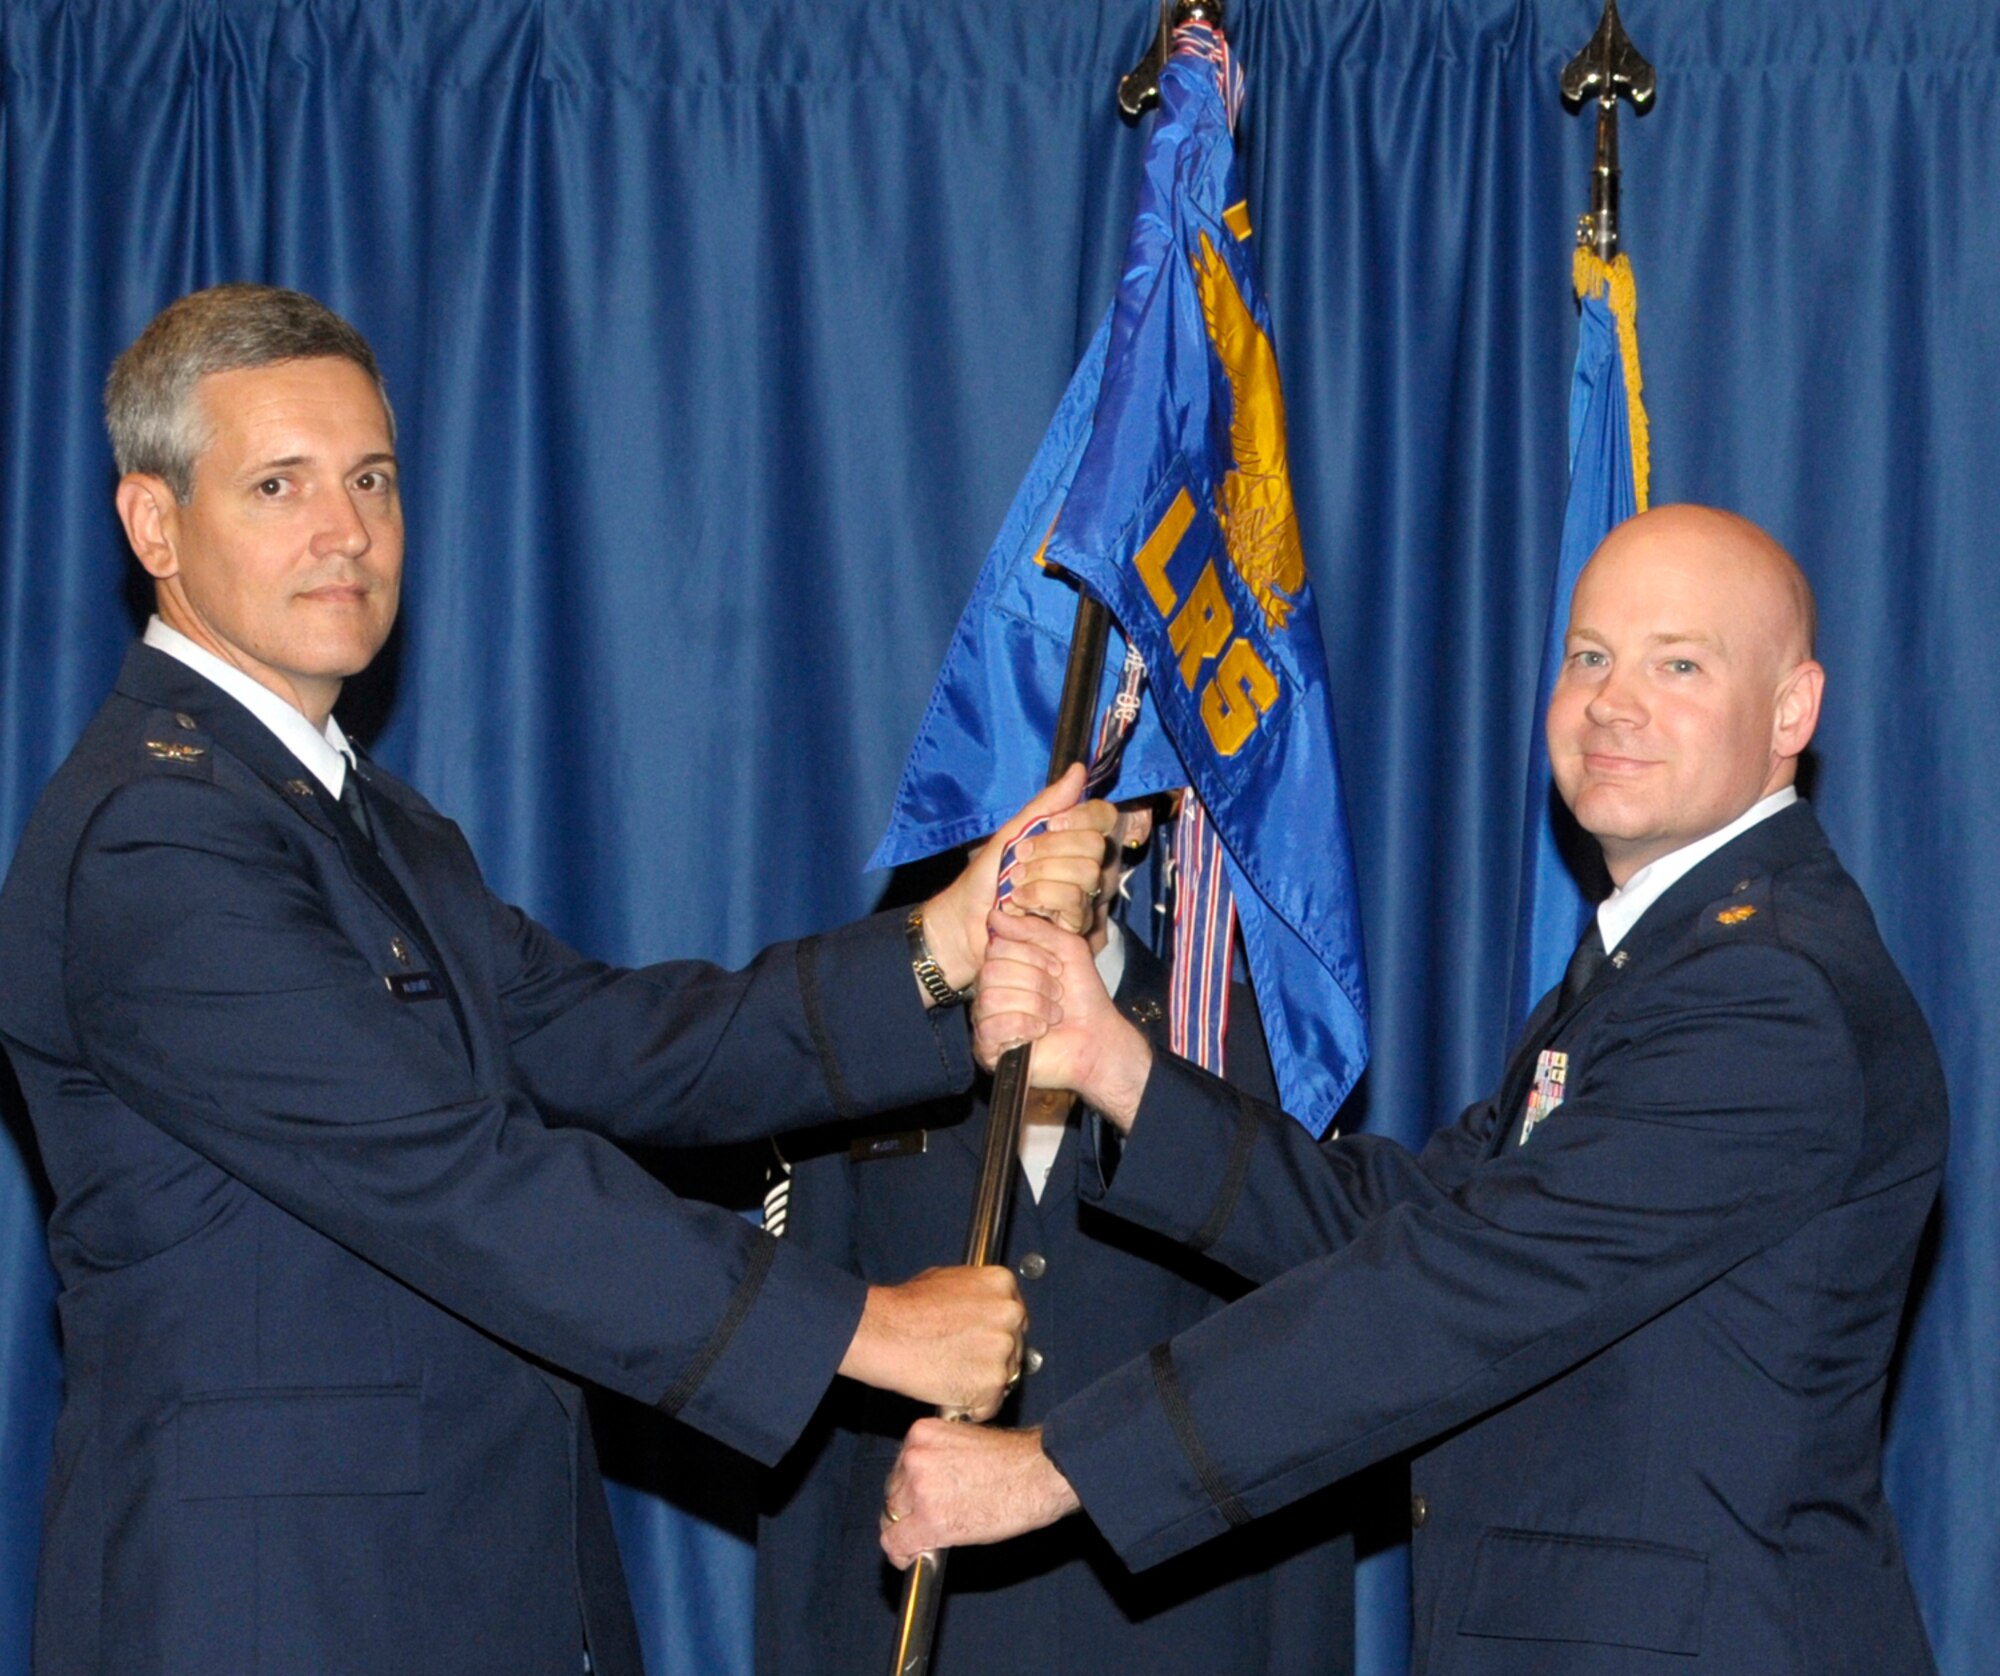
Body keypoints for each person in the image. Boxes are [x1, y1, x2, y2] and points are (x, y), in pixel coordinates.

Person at [0, 283, 1119, 1676]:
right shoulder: (157, 840)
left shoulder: (377, 824)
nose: (345, 530)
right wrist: (861, 1330)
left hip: (462, 1592)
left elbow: (621, 1043)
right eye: (277, 485)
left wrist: (943, 946)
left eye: (372, 480)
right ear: (153, 525)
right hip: (273, 1610)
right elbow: (456, 1180)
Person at [882, 505, 1948, 1676]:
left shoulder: (1763, 990)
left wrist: (1057, 1466)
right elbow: (1412, 1224)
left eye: (1677, 663)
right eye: (1588, 655)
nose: (1612, 700)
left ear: (1791, 710)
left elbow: (1455, 1289)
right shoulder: (1664, 960)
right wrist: (1117, 1068)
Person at [755, 801, 1354, 1676]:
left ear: (1140, 821)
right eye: (1004, 779)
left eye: (1072, 784)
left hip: (1180, 1632)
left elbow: (1312, 1383)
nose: (1036, 820)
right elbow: (804, 1394)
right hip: (921, 1633)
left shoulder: (1246, 1052)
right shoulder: (864, 1040)